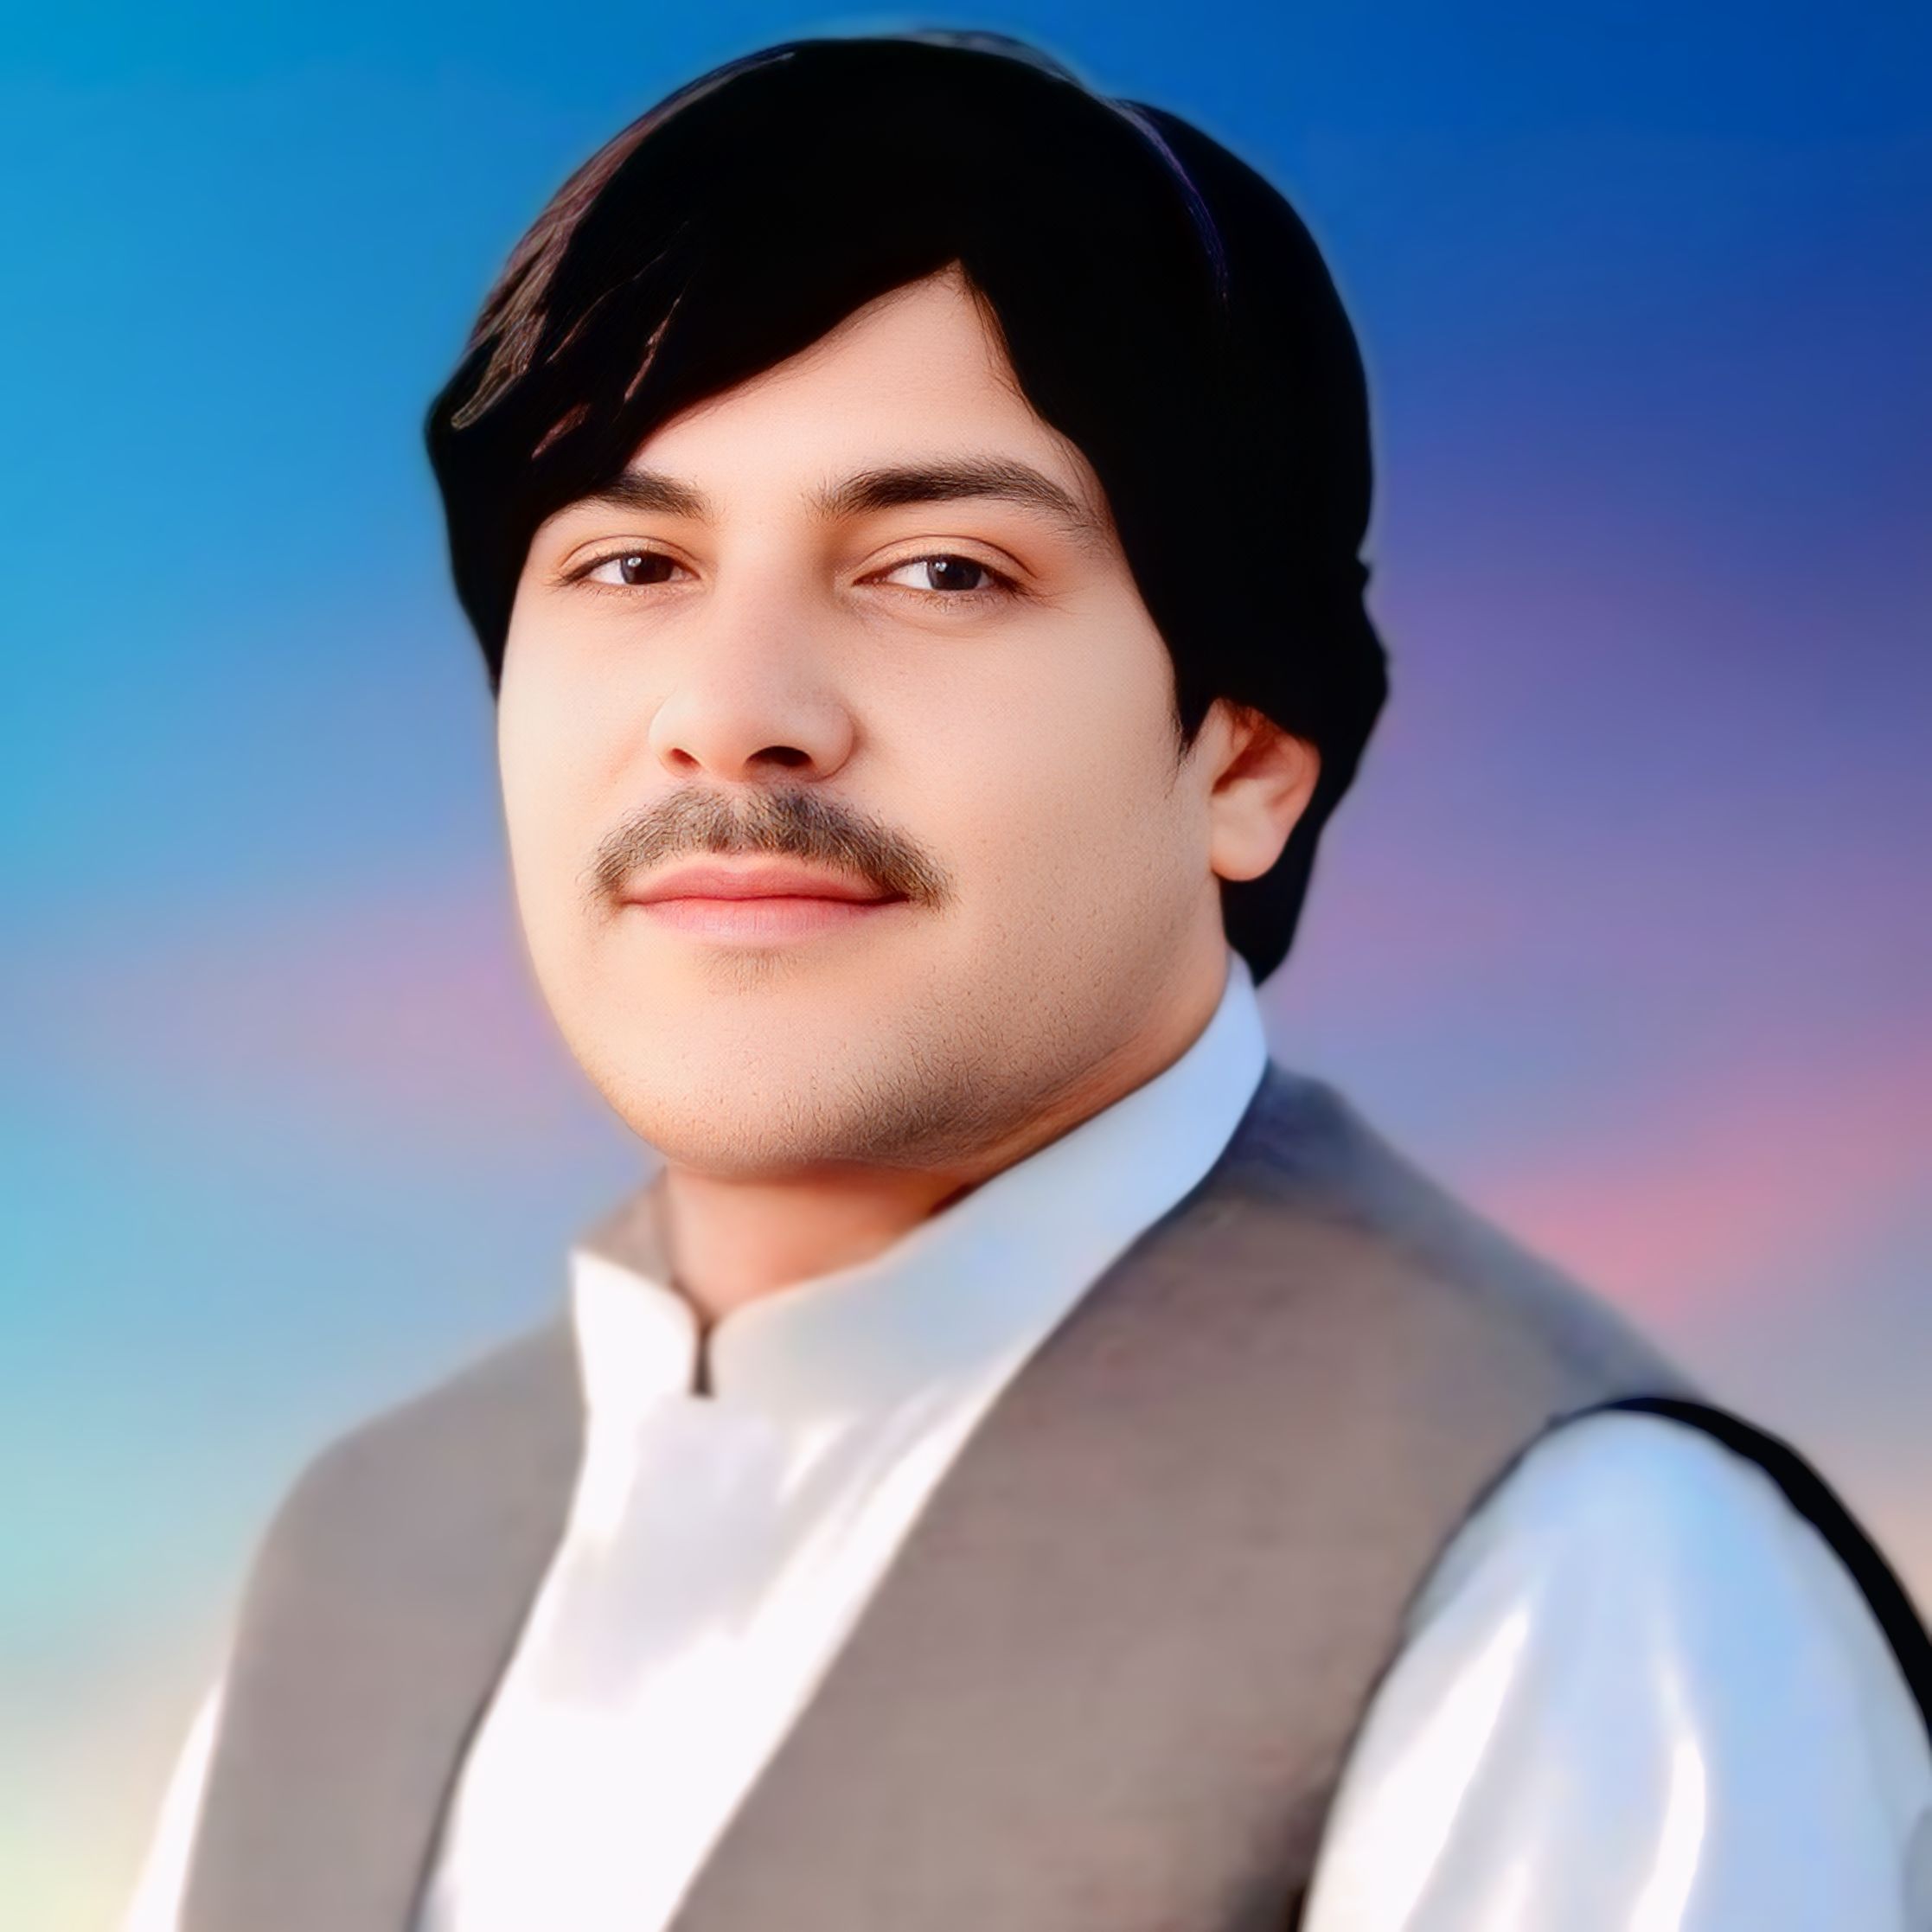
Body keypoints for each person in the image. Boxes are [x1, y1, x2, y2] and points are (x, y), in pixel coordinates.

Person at [123, 29, 1932, 1932]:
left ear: (1245, 753)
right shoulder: (359, 1565)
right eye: (632, 564)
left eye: (939, 571)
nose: (732, 711)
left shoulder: (1569, 1582)